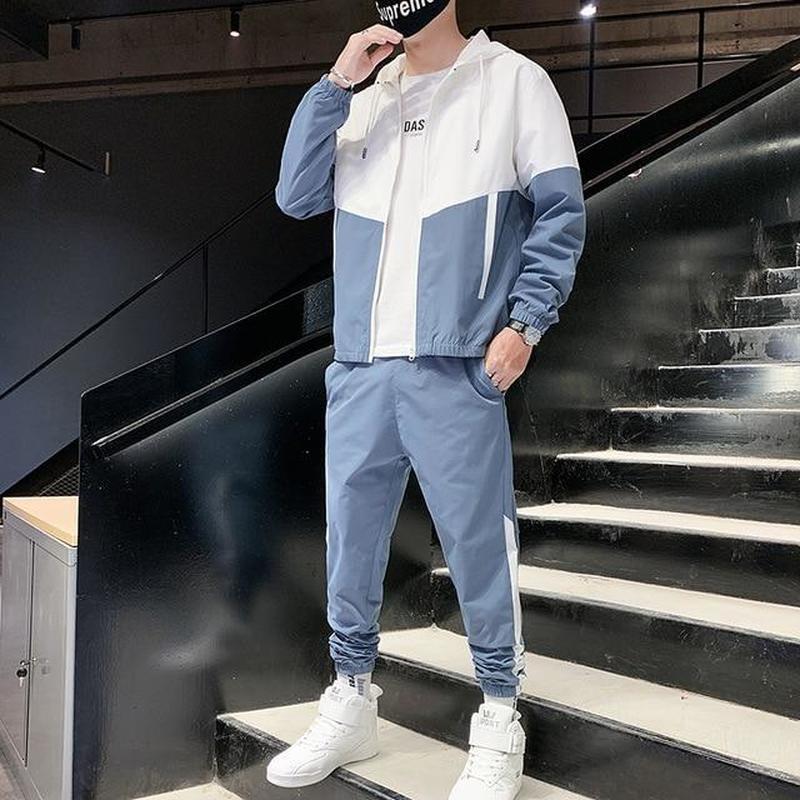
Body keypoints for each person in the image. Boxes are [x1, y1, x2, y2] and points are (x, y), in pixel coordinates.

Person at [267, 1, 586, 796]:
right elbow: (295, 196)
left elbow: (560, 213)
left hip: (456, 364)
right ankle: (350, 697)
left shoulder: (513, 82)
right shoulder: (364, 98)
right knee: (349, 542)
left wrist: (526, 325)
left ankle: (500, 713)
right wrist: (337, 82)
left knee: (479, 546)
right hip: (362, 366)